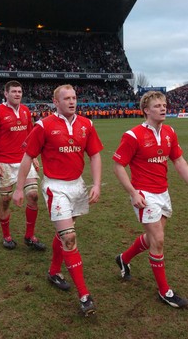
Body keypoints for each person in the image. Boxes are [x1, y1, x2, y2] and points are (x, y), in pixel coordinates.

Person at [13, 84, 103, 317]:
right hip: (55, 187)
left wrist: (95, 182)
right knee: (70, 237)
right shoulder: (43, 126)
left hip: (77, 186)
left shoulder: (87, 124)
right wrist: (19, 188)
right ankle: (85, 296)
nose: (72, 102)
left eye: (74, 97)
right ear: (56, 102)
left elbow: (94, 155)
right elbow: (28, 157)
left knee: (65, 233)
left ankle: (54, 271)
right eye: (66, 98)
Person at [113, 90, 188, 308]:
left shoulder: (170, 132)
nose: (163, 108)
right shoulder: (133, 135)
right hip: (144, 195)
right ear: (146, 110)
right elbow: (118, 165)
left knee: (152, 237)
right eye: (157, 106)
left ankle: (123, 259)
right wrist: (133, 192)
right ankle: (165, 291)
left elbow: (179, 161)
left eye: (164, 104)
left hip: (163, 193)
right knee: (158, 240)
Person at [0, 80, 45, 251]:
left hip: (24, 159)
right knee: (5, 200)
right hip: (4, 162)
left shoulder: (26, 110)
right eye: (14, 91)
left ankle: (29, 236)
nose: (17, 94)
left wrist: (33, 156)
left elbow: (30, 134)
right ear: (6, 93)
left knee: (33, 195)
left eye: (19, 91)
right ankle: (6, 236)